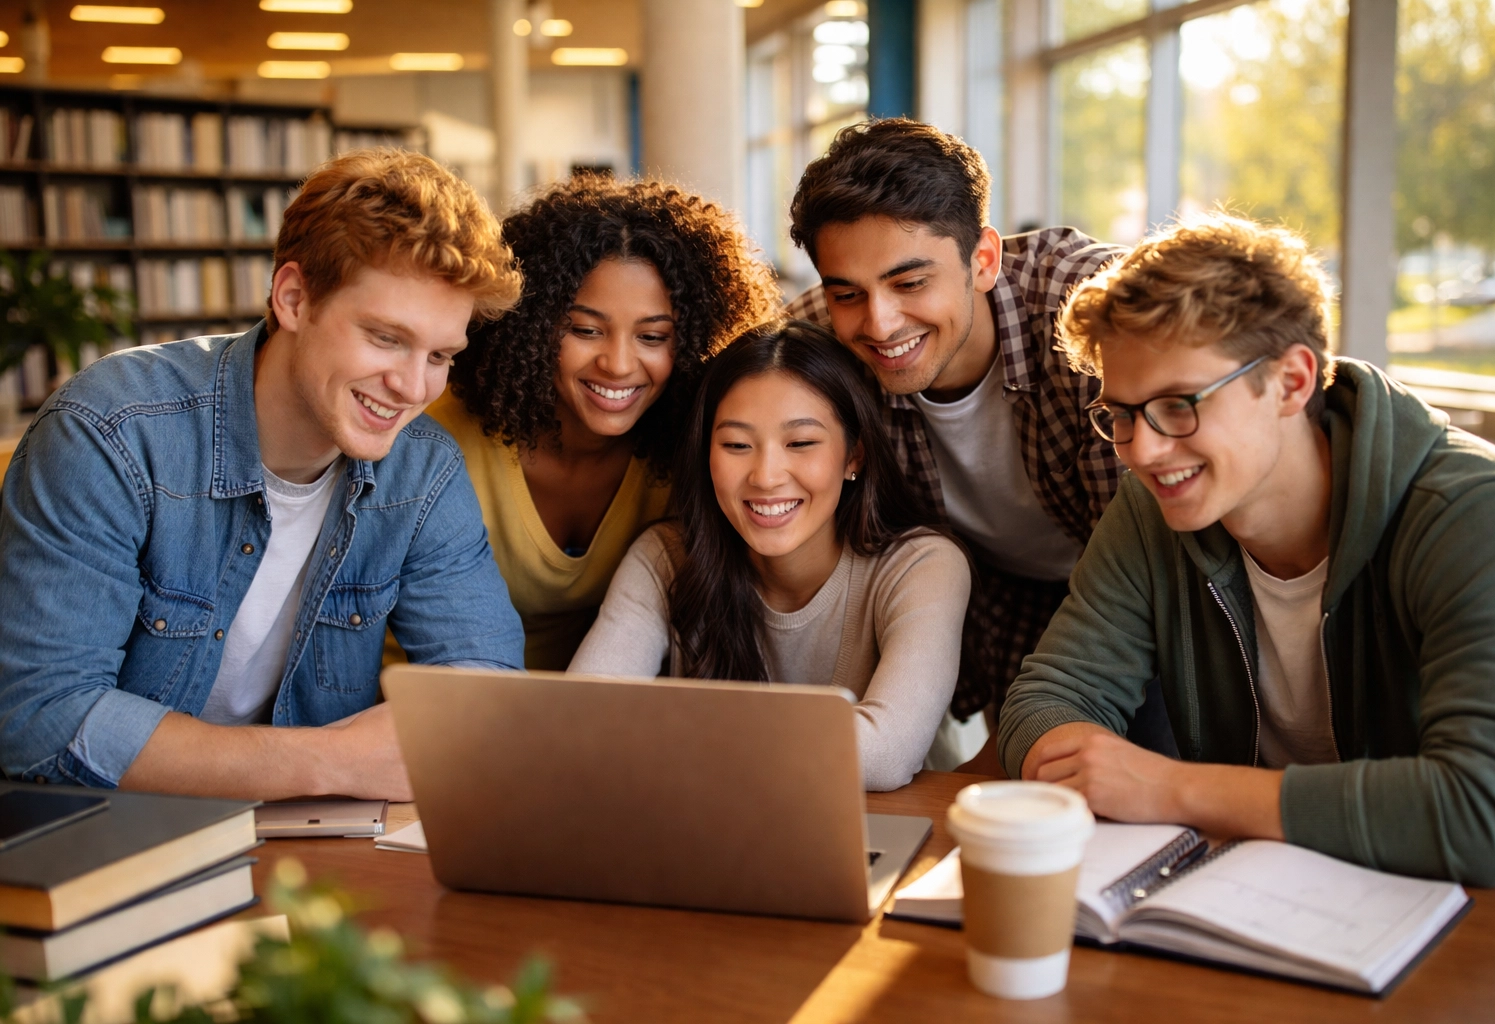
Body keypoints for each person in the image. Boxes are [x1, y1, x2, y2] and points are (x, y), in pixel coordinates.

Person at [998, 215, 1495, 885]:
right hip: (1260, 892)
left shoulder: (1475, 514)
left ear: (1291, 381)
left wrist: (1168, 787)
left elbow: (1488, 814)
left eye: (1177, 405)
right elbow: (1048, 696)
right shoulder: (1154, 508)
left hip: (1476, 921)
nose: (1141, 450)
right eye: (1122, 414)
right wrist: (1085, 761)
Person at [0, 150, 526, 801]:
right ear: (294, 298)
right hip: (118, 842)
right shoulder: (112, 430)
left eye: (441, 355)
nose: (413, 387)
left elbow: (483, 693)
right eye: (386, 338)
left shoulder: (423, 468)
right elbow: (40, 718)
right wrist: (329, 763)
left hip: (314, 854)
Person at [783, 117, 1140, 770]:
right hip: (989, 596)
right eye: (847, 293)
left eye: (910, 283)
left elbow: (1161, 568)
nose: (880, 323)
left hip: (1139, 592)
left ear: (984, 259)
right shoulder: (815, 340)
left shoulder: (1093, 312)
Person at [569, 321, 971, 791]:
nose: (765, 476)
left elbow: (883, 756)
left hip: (888, 835)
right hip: (713, 838)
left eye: (801, 443)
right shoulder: (665, 559)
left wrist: (664, 733)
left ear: (854, 456)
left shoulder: (922, 567)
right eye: (737, 445)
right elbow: (582, 722)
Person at [435, 175, 779, 669]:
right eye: (586, 330)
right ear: (530, 325)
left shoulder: (695, 454)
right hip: (433, 709)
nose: (618, 364)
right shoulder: (441, 442)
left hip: (601, 713)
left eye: (653, 337)